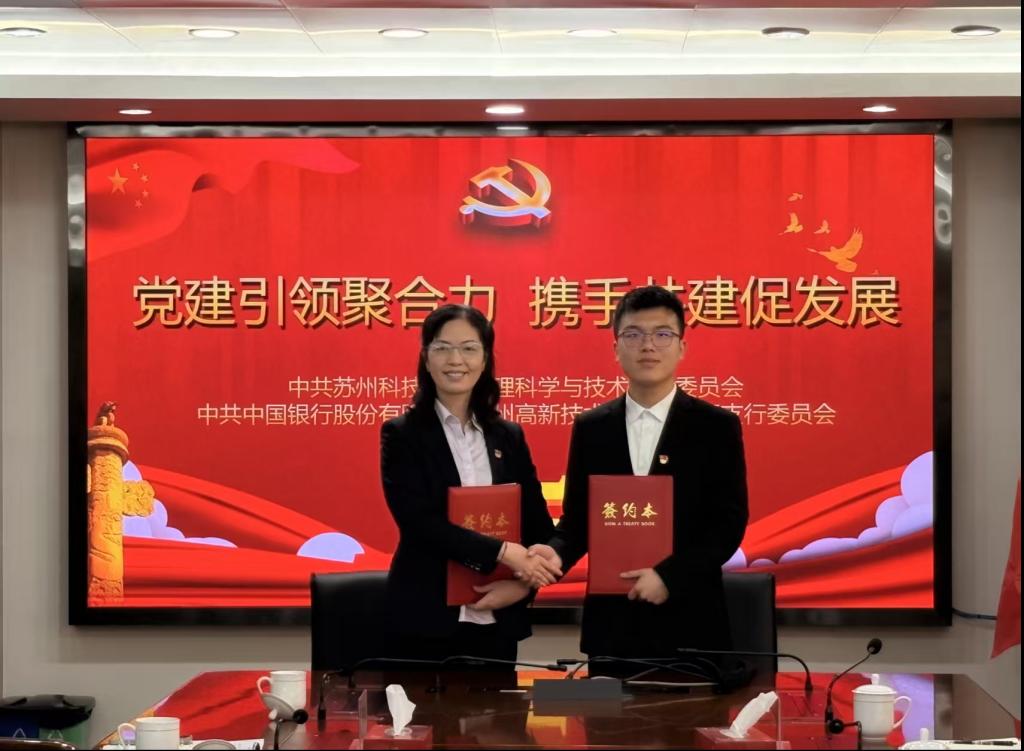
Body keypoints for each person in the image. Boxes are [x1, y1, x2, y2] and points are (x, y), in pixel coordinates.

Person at [532, 285, 749, 664]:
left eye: (662, 334)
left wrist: (669, 577)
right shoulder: (592, 427)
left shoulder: (715, 427)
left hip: (692, 623)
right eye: (633, 335)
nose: (648, 346)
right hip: (612, 627)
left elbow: (727, 524)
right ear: (616, 348)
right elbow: (578, 521)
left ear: (681, 347)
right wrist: (554, 553)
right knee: (603, 705)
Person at [380, 304, 560, 664]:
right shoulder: (402, 434)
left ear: (485, 359)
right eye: (442, 348)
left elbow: (537, 525)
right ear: (426, 358)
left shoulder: (508, 436)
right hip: (425, 617)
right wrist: (503, 552)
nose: (455, 360)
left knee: (500, 704)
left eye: (468, 348)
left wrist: (521, 587)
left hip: (498, 618)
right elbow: (419, 523)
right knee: (418, 703)